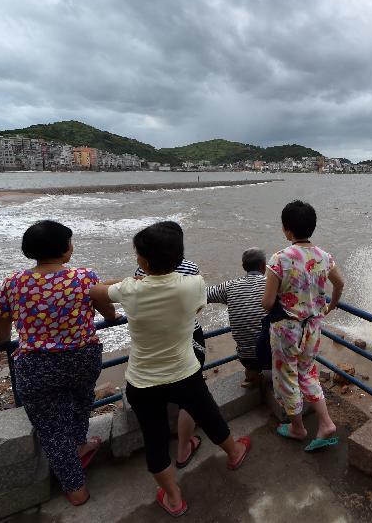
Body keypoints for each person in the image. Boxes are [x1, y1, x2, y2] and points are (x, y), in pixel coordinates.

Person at [90, 222, 250, 517]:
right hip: (184, 371)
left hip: (143, 380)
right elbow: (197, 310)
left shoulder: (130, 290)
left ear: (144, 261)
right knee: (209, 415)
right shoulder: (194, 284)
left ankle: (174, 497)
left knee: (155, 438)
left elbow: (96, 291)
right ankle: (235, 452)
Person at [0, 220, 116, 506]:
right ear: (62, 249)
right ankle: (80, 444)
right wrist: (110, 319)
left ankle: (75, 487)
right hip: (82, 358)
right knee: (82, 400)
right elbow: (107, 308)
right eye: (70, 242)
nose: (72, 247)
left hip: (37, 365)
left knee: (51, 427)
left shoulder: (14, 282)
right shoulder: (84, 277)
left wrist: (1, 340)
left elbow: (1, 321)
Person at [262, 200, 345, 452]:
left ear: (287, 230)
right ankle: (326, 423)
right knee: (307, 372)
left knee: (287, 376)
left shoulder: (280, 259)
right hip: (313, 327)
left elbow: (267, 303)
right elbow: (339, 284)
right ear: (312, 227)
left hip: (287, 330)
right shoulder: (324, 257)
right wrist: (331, 307)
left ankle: (297, 428)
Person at [134, 236, 206, 469]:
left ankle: (162, 454)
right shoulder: (191, 267)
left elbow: (135, 295)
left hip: (154, 340)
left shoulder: (141, 269)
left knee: (157, 397)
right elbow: (198, 306)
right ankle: (184, 447)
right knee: (191, 393)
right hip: (188, 335)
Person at [206, 248, 268, 387]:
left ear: (243, 266)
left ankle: (252, 376)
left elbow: (203, 295)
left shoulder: (229, 286)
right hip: (274, 356)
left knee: (250, 360)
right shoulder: (273, 284)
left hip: (247, 358)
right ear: (264, 265)